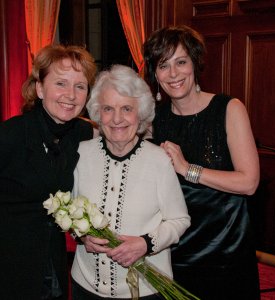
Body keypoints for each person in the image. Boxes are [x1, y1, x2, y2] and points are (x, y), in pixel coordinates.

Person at [143, 25, 261, 300]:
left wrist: (187, 169)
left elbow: (249, 183)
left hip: (226, 250)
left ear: (195, 63)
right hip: (174, 250)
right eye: (163, 65)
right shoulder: (152, 121)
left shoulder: (229, 109)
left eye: (181, 62)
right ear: (154, 74)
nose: (173, 74)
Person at [71, 64, 191, 299]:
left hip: (144, 289)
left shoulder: (159, 160)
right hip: (84, 285)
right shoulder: (80, 154)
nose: (117, 119)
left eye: (127, 108)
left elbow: (180, 220)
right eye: (108, 108)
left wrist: (146, 243)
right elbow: (70, 211)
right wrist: (82, 236)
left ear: (141, 113)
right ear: (97, 113)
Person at [0, 44, 97, 300]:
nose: (71, 95)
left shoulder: (81, 133)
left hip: (53, 265)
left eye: (80, 86)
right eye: (61, 83)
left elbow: (122, 131)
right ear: (40, 88)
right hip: (10, 266)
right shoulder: (11, 134)